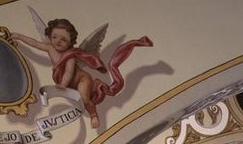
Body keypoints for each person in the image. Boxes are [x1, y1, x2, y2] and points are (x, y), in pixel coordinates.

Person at [13, 17, 152, 129]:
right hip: (68, 83)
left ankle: (93, 115)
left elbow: (68, 71)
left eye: (64, 39)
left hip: (82, 80)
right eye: (55, 37)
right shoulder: (49, 48)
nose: (58, 41)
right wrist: (18, 36)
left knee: (85, 99)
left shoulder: (70, 55)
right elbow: (34, 43)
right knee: (79, 98)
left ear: (70, 42)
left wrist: (63, 84)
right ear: (49, 36)